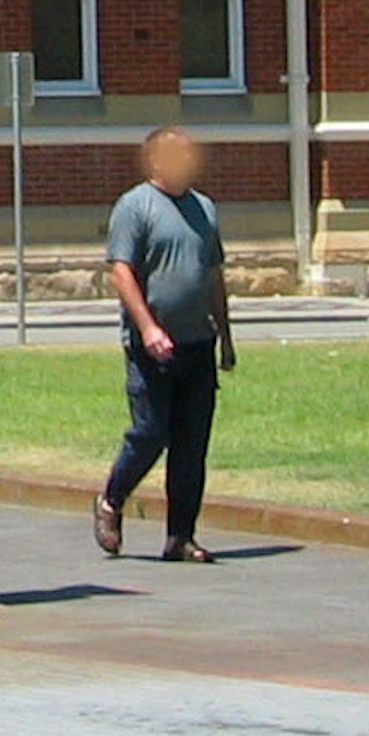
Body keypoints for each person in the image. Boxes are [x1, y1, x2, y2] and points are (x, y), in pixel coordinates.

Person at [94, 124, 235, 564]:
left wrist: (226, 337)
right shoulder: (135, 207)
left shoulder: (204, 208)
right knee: (151, 432)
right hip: (151, 346)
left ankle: (180, 537)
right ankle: (111, 501)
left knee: (192, 444)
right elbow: (121, 271)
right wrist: (149, 327)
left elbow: (213, 275)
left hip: (197, 343)